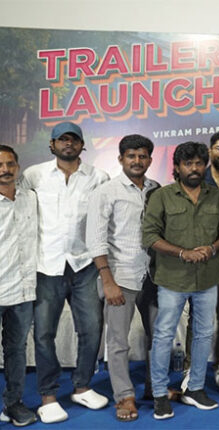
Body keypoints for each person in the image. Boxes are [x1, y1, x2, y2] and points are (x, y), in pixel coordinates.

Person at [21, 121, 110, 424]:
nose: (68, 144)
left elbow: (104, 221)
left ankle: (82, 386)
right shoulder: (34, 175)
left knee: (92, 328)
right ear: (52, 144)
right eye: (62, 140)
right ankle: (48, 395)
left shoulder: (98, 177)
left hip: (84, 265)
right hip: (47, 265)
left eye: (73, 140)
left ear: (82, 145)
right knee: (44, 333)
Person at [142, 142, 219, 419]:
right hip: (172, 279)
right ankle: (159, 394)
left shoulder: (217, 196)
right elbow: (149, 236)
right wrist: (182, 253)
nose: (194, 168)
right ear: (177, 167)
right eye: (188, 163)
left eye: (199, 163)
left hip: (209, 276)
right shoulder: (162, 196)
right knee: (164, 335)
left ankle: (195, 388)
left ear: (205, 165)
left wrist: (213, 248)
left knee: (204, 333)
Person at [85, 135, 160, 422]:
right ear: (120, 159)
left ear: (150, 160)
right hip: (121, 278)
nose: (137, 161)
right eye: (131, 156)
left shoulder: (156, 189)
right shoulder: (106, 192)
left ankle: (156, 389)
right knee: (118, 342)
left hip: (153, 276)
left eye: (142, 156)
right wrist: (108, 280)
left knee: (159, 337)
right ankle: (124, 396)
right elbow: (95, 239)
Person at [182, 131, 219, 395]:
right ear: (210, 151)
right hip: (200, 264)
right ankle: (190, 369)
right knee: (198, 319)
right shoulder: (194, 179)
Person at [0, 145, 38, 426]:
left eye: (10, 164)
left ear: (18, 167)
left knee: (16, 350)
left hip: (22, 290)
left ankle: (13, 404)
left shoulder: (30, 198)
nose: (4, 170)